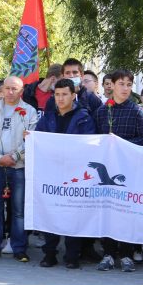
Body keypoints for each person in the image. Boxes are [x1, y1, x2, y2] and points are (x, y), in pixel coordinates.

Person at [32, 78, 97, 267]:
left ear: (73, 95)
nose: (60, 99)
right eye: (57, 95)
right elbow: (40, 138)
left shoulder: (84, 117)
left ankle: (72, 256)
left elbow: (89, 143)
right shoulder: (48, 117)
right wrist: (32, 138)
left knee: (73, 213)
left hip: (75, 173)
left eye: (64, 94)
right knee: (50, 211)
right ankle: (49, 254)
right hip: (51, 172)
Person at [94, 69, 143, 273]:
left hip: (128, 170)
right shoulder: (102, 111)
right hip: (107, 170)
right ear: (112, 86)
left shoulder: (137, 111)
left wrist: (120, 144)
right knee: (107, 211)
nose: (125, 88)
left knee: (126, 212)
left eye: (129, 84)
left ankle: (127, 254)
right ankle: (108, 254)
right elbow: (95, 141)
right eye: (121, 84)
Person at [0, 77, 37, 262]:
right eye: (7, 88)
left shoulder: (30, 111)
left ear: (22, 91)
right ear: (2, 89)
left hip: (18, 166)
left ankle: (19, 247)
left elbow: (31, 138)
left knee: (18, 209)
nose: (10, 92)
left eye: (14, 89)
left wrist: (14, 157)